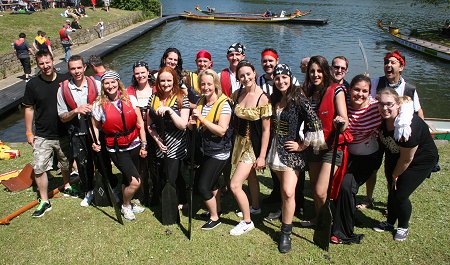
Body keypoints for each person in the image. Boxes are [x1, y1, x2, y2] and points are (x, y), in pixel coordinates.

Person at [267, 64, 325, 253]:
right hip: (275, 150)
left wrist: (302, 145)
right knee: (284, 193)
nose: (281, 81)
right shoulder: (275, 97)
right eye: (277, 78)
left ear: (290, 78)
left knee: (289, 191)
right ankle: (285, 215)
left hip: (291, 152)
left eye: (284, 77)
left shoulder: (298, 97)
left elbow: (315, 122)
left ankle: (286, 232)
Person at [361, 50, 426, 209]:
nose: (388, 66)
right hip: (377, 133)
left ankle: (392, 202)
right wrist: (365, 82)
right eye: (386, 63)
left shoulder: (409, 89)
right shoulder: (375, 82)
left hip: (398, 137)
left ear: (401, 67)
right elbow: (364, 100)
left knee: (393, 171)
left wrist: (421, 136)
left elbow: (419, 112)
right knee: (372, 168)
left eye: (392, 63)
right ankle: (369, 199)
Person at [373, 88, 438, 241]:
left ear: (398, 105)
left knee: (400, 194)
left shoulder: (407, 128)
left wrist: (396, 174)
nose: (384, 108)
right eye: (381, 104)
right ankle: (389, 222)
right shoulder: (382, 118)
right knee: (392, 190)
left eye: (389, 104)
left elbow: (406, 159)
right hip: (395, 154)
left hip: (419, 160)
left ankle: (403, 226)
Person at [330, 74, 382, 244]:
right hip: (347, 155)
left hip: (368, 157)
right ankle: (346, 217)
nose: (360, 94)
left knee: (346, 186)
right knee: (338, 186)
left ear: (369, 93)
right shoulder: (342, 103)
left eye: (364, 91)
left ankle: (342, 233)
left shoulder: (376, 107)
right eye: (357, 89)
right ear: (349, 89)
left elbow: (399, 106)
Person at [91, 71, 147, 221]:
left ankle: (126, 201)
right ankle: (126, 205)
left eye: (113, 82)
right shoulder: (98, 105)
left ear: (118, 83)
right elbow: (95, 126)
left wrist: (144, 144)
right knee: (135, 182)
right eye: (107, 83)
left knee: (128, 179)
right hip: (116, 148)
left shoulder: (131, 99)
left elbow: (140, 123)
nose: (110, 86)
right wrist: (95, 141)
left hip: (134, 144)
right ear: (103, 86)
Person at [301, 55, 349, 227]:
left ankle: (326, 222)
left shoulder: (336, 90)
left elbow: (344, 117)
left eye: (319, 71)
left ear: (325, 71)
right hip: (313, 146)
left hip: (331, 146)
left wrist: (340, 123)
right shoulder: (306, 92)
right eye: (312, 71)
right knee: (314, 187)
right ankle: (319, 218)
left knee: (321, 191)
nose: (315, 74)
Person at [23, 51, 72, 218]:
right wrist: (29, 131)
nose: (45, 66)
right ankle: (44, 200)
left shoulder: (65, 80)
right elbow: (29, 108)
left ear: (53, 61)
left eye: (47, 62)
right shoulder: (33, 85)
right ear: (38, 65)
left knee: (66, 163)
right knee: (39, 167)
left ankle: (67, 185)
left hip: (64, 132)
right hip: (43, 134)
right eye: (41, 64)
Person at [229, 60, 271, 236]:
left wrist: (262, 156)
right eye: (241, 75)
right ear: (238, 78)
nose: (245, 78)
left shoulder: (263, 98)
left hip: (253, 146)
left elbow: (266, 129)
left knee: (235, 184)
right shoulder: (236, 93)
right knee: (251, 177)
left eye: (248, 74)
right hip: (239, 142)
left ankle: (247, 222)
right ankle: (255, 207)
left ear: (254, 73)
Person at [188, 69, 232, 230]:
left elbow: (221, 130)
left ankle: (214, 217)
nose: (205, 87)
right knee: (212, 182)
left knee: (203, 186)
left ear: (216, 85)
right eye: (203, 84)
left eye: (209, 84)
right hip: (206, 150)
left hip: (219, 152)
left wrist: (201, 119)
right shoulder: (201, 101)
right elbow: (194, 126)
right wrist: (191, 123)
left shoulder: (224, 104)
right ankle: (217, 209)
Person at [146, 66, 190, 225]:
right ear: (158, 82)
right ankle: (178, 199)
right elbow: (149, 125)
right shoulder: (153, 98)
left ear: (174, 81)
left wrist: (171, 112)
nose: (165, 84)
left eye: (169, 80)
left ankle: (180, 201)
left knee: (172, 176)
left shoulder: (181, 97)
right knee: (166, 174)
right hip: (160, 143)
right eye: (162, 80)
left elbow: (183, 125)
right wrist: (157, 140)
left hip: (176, 144)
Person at [57, 55, 101, 207]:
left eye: (79, 67)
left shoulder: (96, 84)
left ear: (84, 67)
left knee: (102, 160)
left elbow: (106, 105)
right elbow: (63, 116)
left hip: (96, 129)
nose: (76, 71)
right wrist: (76, 110)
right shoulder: (63, 89)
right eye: (73, 68)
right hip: (77, 131)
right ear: (69, 70)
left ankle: (106, 187)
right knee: (83, 163)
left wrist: (94, 107)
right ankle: (88, 191)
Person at [126, 61, 156, 206]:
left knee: (155, 164)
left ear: (148, 72)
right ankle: (142, 192)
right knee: (141, 165)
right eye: (137, 73)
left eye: (142, 72)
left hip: (155, 132)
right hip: (138, 133)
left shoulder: (156, 89)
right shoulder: (129, 91)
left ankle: (156, 189)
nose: (140, 75)